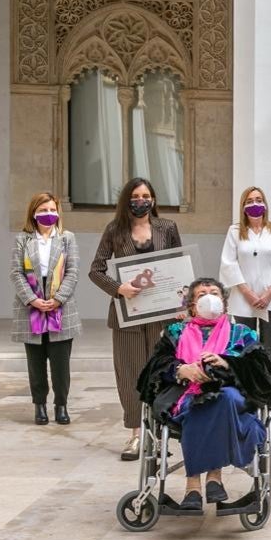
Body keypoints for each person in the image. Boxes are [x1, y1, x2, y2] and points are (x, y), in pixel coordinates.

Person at [137, 278, 271, 511]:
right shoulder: (175, 332)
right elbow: (154, 367)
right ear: (192, 305)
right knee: (210, 402)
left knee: (222, 399)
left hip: (230, 397)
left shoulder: (242, 334)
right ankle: (214, 478)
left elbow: (264, 375)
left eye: (214, 293)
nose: (209, 297)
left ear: (224, 303)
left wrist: (227, 364)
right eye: (202, 294)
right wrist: (181, 370)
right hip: (186, 396)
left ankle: (193, 485)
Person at [89, 177, 182, 461]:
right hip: (126, 315)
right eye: (136, 196)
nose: (141, 200)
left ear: (153, 200)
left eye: (146, 196)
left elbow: (178, 265)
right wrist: (118, 289)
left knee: (159, 372)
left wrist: (181, 302)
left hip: (159, 315)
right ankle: (135, 435)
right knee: (130, 374)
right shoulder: (115, 230)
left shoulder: (167, 228)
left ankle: (157, 432)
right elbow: (96, 269)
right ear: (127, 200)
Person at [10, 192, 82, 426]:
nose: (48, 214)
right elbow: (16, 272)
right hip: (31, 307)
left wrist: (58, 298)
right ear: (33, 213)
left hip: (59, 307)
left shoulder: (67, 238)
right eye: (43, 210)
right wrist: (32, 299)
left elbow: (73, 271)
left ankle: (61, 405)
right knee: (36, 362)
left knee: (61, 363)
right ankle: (39, 405)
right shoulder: (23, 238)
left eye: (52, 210)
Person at [219, 186, 271, 361]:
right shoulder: (235, 231)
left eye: (259, 200)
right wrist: (248, 293)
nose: (255, 204)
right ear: (243, 206)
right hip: (243, 297)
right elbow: (229, 263)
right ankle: (248, 386)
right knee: (245, 347)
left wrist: (270, 292)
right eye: (250, 201)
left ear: (265, 204)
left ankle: (268, 386)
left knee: (268, 346)